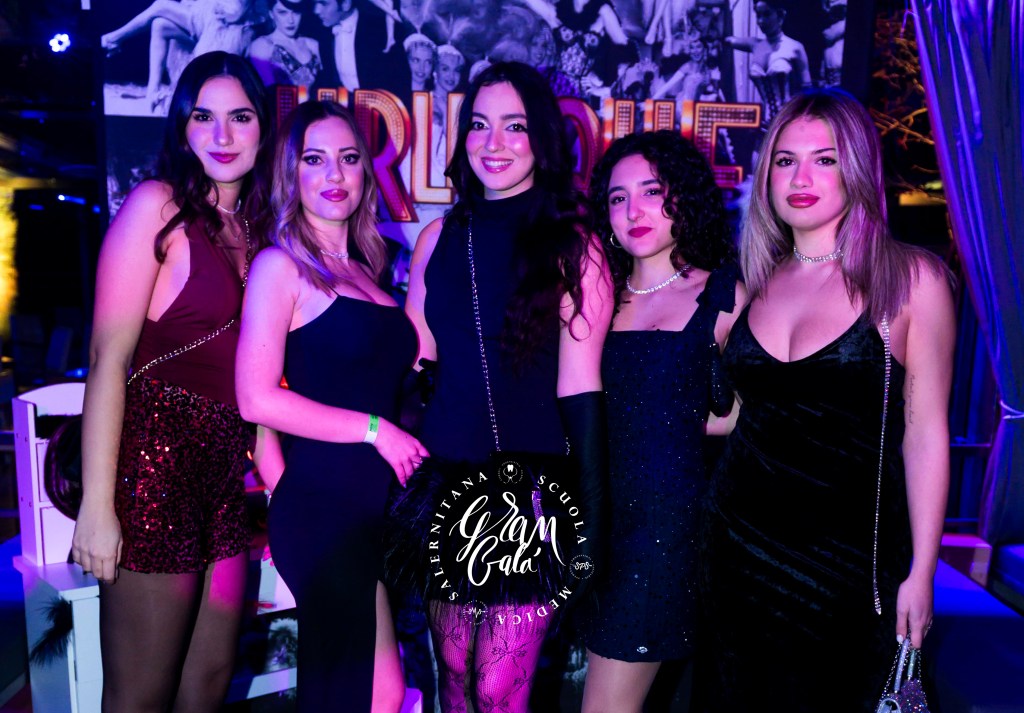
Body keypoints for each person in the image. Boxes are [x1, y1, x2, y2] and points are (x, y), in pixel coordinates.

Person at [701, 88, 955, 711]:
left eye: (825, 160)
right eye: (785, 161)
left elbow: (925, 434)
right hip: (735, 554)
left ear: (858, 168)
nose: (801, 178)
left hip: (849, 569)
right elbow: (734, 418)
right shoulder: (753, 284)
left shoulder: (909, 280)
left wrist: (922, 571)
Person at [395, 60, 613, 712]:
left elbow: (581, 388)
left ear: (542, 139)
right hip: (445, 484)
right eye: (479, 125)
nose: (493, 143)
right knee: (454, 674)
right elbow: (417, 366)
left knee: (498, 687)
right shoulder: (438, 238)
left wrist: (591, 515)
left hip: (532, 494)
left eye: (514, 127)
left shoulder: (575, 245)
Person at [71, 51, 272, 712]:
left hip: (224, 481)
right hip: (153, 472)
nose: (222, 135)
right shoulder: (157, 206)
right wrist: (97, 507)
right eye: (203, 116)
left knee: (206, 688)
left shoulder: (263, 231)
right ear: (182, 127)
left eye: (240, 117)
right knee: (140, 698)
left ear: (263, 127)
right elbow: (108, 358)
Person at [235, 100, 428, 712]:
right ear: (290, 173)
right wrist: (376, 431)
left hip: (372, 508)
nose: (335, 174)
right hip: (324, 507)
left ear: (366, 171)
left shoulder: (368, 268)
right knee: (345, 695)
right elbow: (255, 397)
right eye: (314, 160)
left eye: (348, 158)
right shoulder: (280, 266)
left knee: (383, 693)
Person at [580, 130, 744, 713]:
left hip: (665, 532)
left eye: (651, 191)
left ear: (684, 196)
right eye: (618, 198)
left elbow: (749, 417)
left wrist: (667, 430)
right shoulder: (594, 294)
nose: (634, 211)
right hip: (592, 523)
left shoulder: (724, 295)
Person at [101, 0, 259, 114]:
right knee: (160, 25)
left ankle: (112, 39)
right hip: (207, 18)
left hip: (223, 26)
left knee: (161, 5)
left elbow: (244, 8)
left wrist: (234, 13)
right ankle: (152, 92)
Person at [726, 0, 812, 124]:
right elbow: (727, 40)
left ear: (780, 15)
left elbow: (807, 92)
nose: (761, 21)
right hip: (763, 123)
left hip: (790, 120)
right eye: (758, 15)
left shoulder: (795, 48)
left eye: (767, 14)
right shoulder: (755, 45)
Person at [248, 0, 323, 91]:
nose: (291, 20)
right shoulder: (263, 45)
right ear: (271, 14)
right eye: (282, 13)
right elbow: (266, 92)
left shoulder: (312, 44)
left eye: (296, 12)